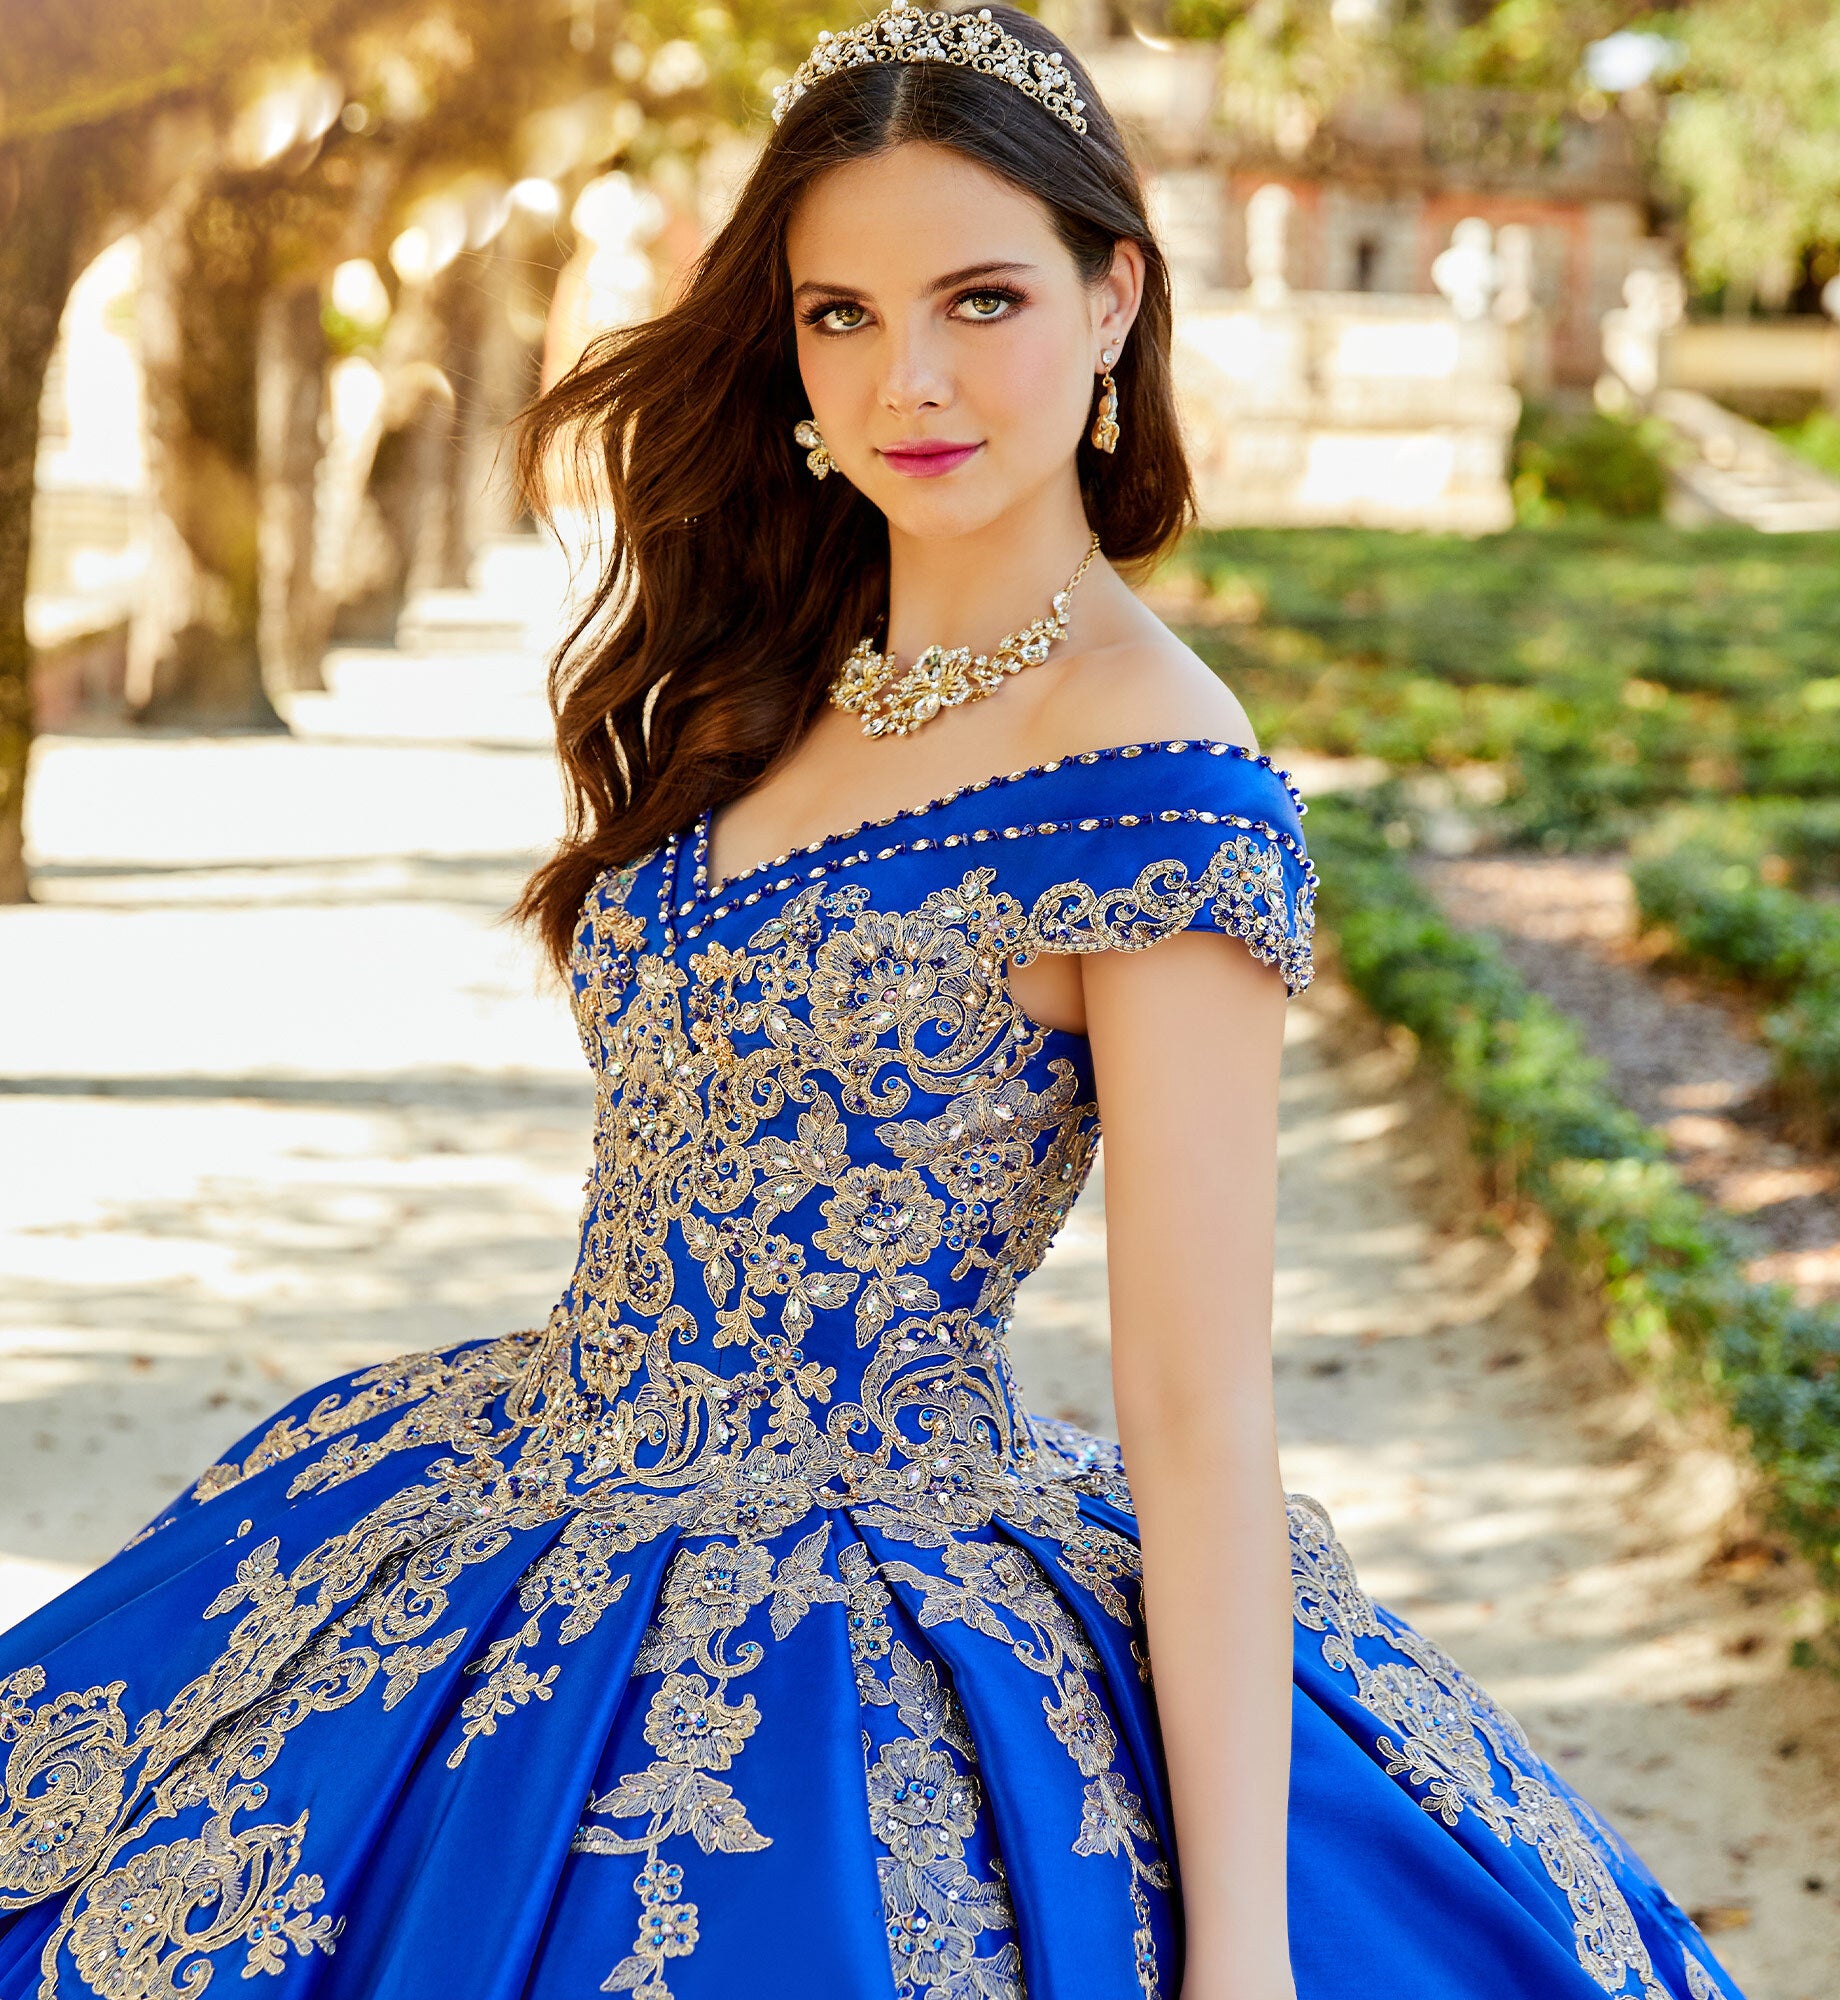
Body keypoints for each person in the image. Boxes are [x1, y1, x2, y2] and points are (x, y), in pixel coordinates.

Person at [0, 8, 1747, 1998]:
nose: (902, 379)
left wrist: (1241, 1956)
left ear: (1114, 302)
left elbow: (1198, 1411)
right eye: (839, 315)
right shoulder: (772, 668)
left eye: (977, 300)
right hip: (506, 1489)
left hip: (868, 1623)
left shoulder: (1153, 770)